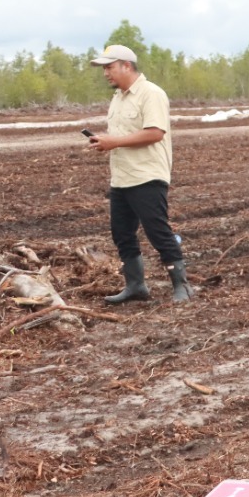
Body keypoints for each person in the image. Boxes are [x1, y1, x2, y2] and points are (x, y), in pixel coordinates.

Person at [87, 44, 192, 304]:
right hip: (122, 177)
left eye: (109, 67)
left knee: (157, 231)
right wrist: (106, 142)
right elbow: (124, 136)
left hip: (147, 175)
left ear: (127, 65)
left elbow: (155, 133)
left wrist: (115, 142)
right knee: (121, 233)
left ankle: (183, 286)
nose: (105, 74)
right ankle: (136, 285)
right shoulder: (118, 98)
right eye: (104, 69)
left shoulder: (151, 93)